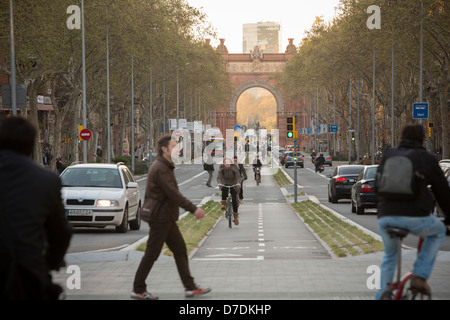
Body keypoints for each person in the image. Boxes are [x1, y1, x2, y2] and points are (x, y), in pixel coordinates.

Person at [375, 124, 450, 299]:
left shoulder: (388, 155)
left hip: (386, 217)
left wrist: (385, 207)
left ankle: (382, 294)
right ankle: (420, 276)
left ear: (401, 137)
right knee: (438, 231)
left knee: (389, 256)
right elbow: (442, 192)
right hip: (416, 216)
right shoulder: (427, 158)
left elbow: (377, 185)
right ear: (422, 139)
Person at [0, 117, 72, 300]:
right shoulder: (46, 180)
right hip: (28, 274)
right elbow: (61, 231)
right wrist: (49, 262)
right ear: (32, 145)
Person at [132, 135, 211, 300]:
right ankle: (138, 289)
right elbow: (172, 193)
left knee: (180, 250)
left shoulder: (165, 166)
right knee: (152, 253)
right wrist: (193, 209)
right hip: (161, 217)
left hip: (166, 217)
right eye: (174, 146)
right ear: (164, 149)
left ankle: (190, 287)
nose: (177, 149)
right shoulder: (160, 168)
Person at [217, 158, 242, 225]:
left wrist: (239, 183)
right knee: (224, 190)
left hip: (233, 183)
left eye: (228, 163)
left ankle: (235, 217)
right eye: (225, 163)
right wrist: (219, 183)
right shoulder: (221, 169)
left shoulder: (234, 168)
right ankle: (223, 203)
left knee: (234, 199)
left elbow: (238, 177)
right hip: (225, 182)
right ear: (224, 163)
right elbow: (219, 177)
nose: (227, 164)